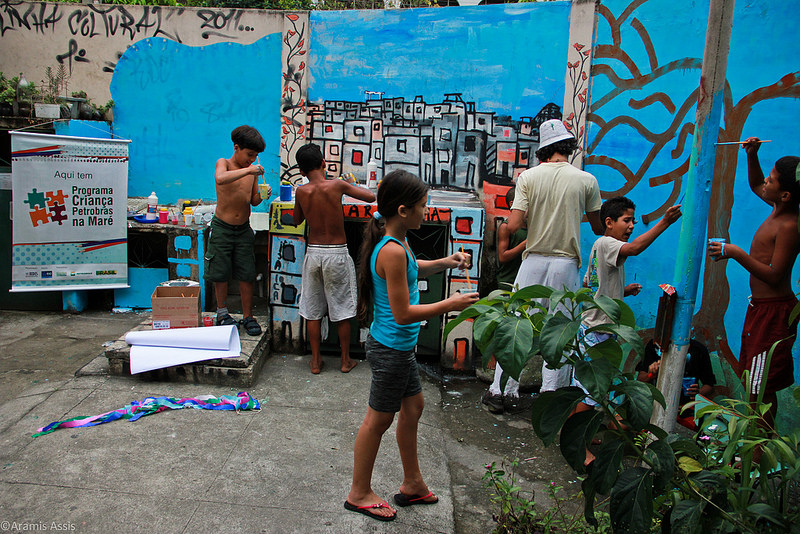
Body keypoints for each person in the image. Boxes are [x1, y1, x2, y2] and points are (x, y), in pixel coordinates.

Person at [344, 170, 479, 521]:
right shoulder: (390, 250)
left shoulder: (396, 241)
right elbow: (403, 313)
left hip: (397, 347)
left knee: (414, 406)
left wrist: (446, 262)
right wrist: (451, 304)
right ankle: (359, 492)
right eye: (422, 205)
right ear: (403, 210)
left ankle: (413, 483)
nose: (426, 210)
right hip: (391, 348)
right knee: (378, 419)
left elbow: (412, 268)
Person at [485, 118, 604, 409]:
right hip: (566, 265)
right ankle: (551, 395)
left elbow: (513, 224)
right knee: (560, 332)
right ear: (568, 147)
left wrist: (532, 214)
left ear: (543, 150)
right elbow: (600, 228)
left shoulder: (528, 177)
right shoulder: (586, 180)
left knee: (517, 327)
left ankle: (501, 392)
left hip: (533, 263)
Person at [570, 196, 681, 463]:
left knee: (594, 389)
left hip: (598, 328)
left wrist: (623, 292)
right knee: (589, 392)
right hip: (596, 330)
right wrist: (664, 221)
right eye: (626, 220)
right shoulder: (609, 242)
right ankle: (577, 445)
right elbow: (634, 249)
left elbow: (594, 285)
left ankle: (583, 432)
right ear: (609, 223)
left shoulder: (602, 246)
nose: (631, 225)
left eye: (632, 220)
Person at [708, 138, 800, 428]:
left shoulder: (790, 226)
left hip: (774, 314)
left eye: (771, 180)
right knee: (753, 381)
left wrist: (735, 253)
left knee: (760, 388)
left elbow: (774, 274)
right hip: (759, 309)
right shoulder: (778, 208)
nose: (765, 184)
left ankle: (757, 455)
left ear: (785, 194)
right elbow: (755, 184)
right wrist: (751, 155)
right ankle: (753, 451)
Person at [293, 143, 376, 374]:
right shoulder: (337, 185)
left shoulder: (301, 191)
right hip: (337, 253)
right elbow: (369, 197)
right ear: (323, 164)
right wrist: (347, 185)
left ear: (301, 172)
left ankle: (316, 360)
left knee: (312, 309)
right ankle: (345, 360)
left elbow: (297, 220)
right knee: (341, 309)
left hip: (314, 254)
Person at [207, 125, 270, 335]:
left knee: (246, 272)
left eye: (255, 157)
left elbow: (252, 201)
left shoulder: (251, 173)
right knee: (220, 272)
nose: (252, 160)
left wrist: (262, 194)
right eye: (249, 155)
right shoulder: (223, 164)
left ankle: (247, 316)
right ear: (236, 148)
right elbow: (220, 179)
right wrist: (249, 170)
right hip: (222, 227)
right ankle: (222, 312)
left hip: (243, 228)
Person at [481, 187, 527, 414]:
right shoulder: (507, 226)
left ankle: (505, 386)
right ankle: (496, 381)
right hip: (507, 286)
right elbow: (502, 256)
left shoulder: (531, 227)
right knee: (504, 334)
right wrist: (526, 245)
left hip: (523, 286)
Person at [636, 338, 716, 430]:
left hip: (686, 409)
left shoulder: (698, 349)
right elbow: (640, 380)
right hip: (657, 405)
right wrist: (651, 374)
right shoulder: (655, 345)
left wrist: (698, 393)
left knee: (700, 432)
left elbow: (709, 386)